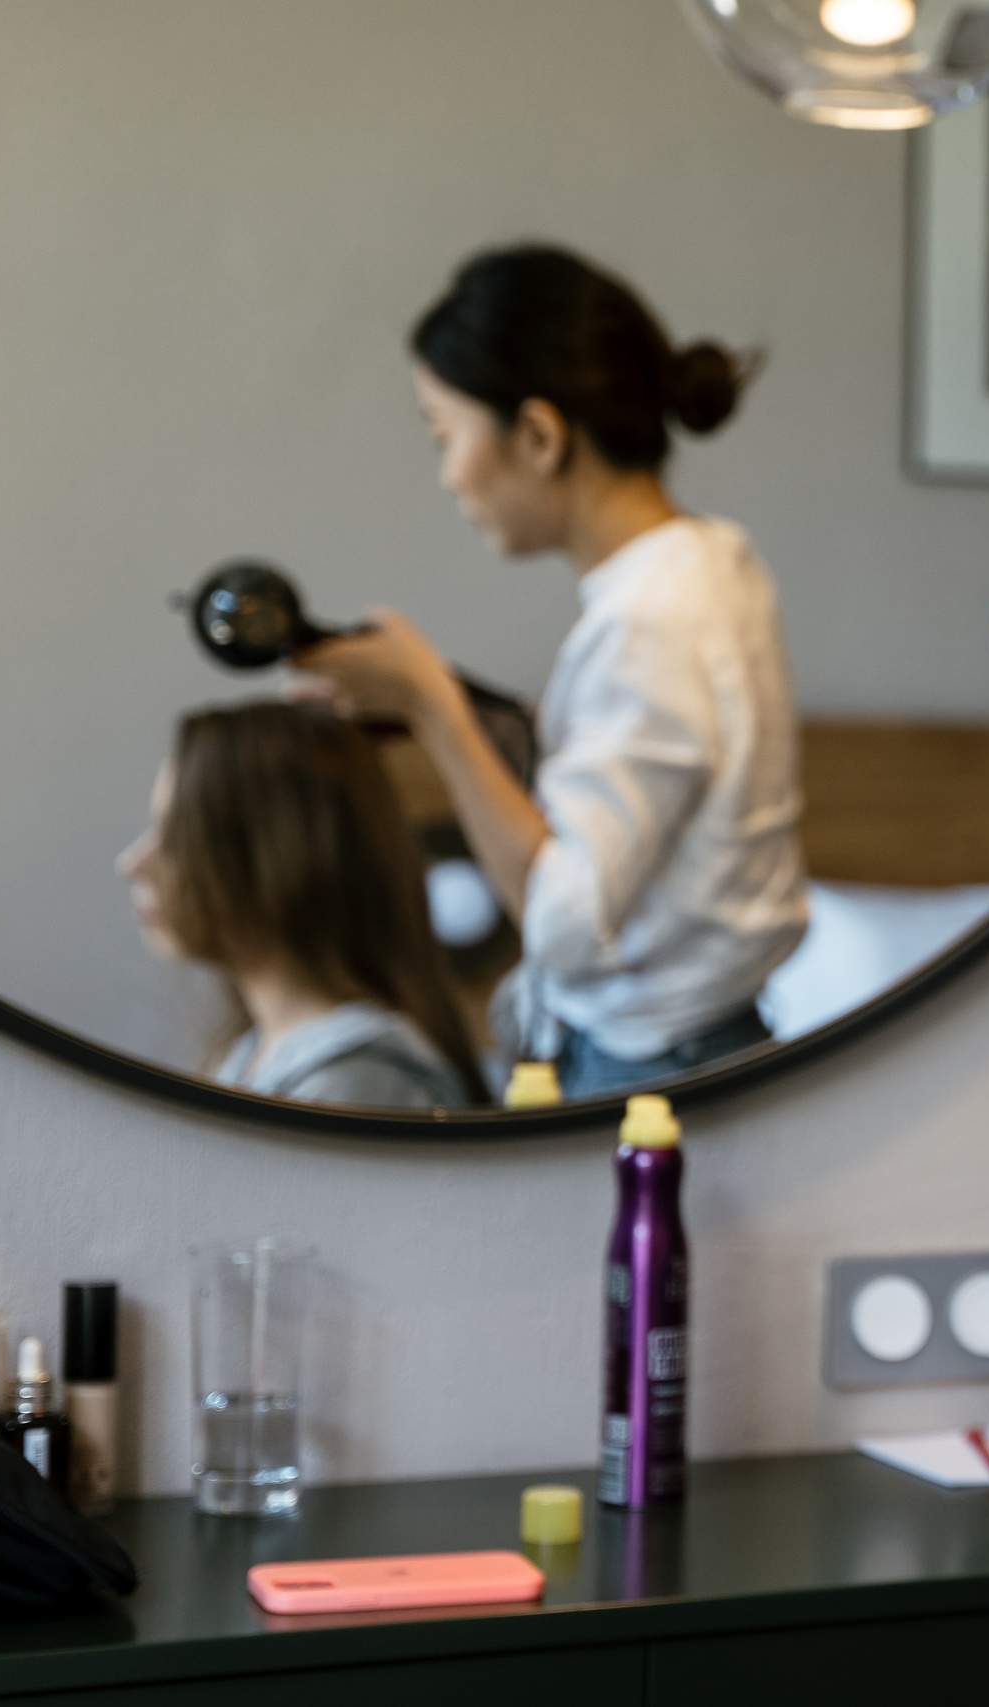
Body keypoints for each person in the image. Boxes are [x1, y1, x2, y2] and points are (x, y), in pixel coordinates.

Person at [292, 244, 809, 1100]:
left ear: (538, 435)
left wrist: (433, 709)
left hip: (649, 1072)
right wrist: (460, 711)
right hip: (700, 1050)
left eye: (444, 435)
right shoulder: (716, 562)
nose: (448, 476)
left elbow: (565, 924)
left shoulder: (650, 619)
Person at [116, 701, 487, 1109]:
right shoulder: (252, 1059)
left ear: (269, 856)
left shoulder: (354, 1083)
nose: (131, 864)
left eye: (176, 836)